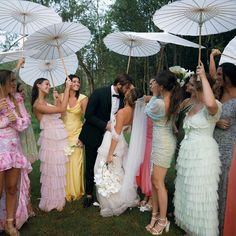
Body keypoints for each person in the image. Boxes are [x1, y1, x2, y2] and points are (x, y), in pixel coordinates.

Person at [174, 62, 222, 236]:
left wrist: (202, 76)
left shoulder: (214, 105)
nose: (189, 85)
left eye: (192, 83)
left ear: (201, 85)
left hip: (203, 156)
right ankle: (190, 227)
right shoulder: (193, 105)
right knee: (188, 191)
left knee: (199, 193)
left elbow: (209, 103)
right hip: (188, 154)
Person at [79, 73, 133, 208]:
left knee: (107, 165)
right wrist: (105, 126)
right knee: (91, 164)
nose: (127, 91)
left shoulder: (124, 98)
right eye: (126, 88)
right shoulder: (99, 93)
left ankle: (104, 193)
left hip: (111, 138)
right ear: (118, 85)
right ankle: (89, 194)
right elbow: (88, 115)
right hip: (94, 134)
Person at [94, 87, 141, 217]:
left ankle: (114, 203)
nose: (126, 91)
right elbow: (125, 129)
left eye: (128, 91)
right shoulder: (134, 112)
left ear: (128, 97)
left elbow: (116, 135)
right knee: (117, 171)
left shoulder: (122, 112)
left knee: (104, 170)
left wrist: (110, 154)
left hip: (112, 144)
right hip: (121, 144)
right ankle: (124, 197)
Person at [145, 71, 181, 235]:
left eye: (155, 85)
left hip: (163, 144)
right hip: (162, 141)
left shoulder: (159, 103)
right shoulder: (171, 100)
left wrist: (153, 95)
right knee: (154, 180)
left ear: (160, 86)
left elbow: (147, 111)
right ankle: (154, 214)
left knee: (158, 182)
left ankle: (163, 219)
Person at [31, 77, 71, 212]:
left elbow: (61, 112)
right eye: (46, 84)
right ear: (38, 85)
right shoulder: (37, 105)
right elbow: (62, 109)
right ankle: (50, 200)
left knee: (57, 169)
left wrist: (56, 99)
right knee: (51, 170)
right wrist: (67, 88)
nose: (49, 86)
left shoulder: (46, 103)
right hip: (50, 140)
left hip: (56, 138)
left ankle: (58, 198)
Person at [0, 70, 31, 236]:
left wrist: (15, 119)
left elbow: (24, 124)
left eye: (14, 80)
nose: (14, 84)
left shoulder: (17, 99)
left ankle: (9, 224)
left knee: (12, 188)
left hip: (14, 149)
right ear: (2, 82)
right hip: (0, 149)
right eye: (11, 81)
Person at [212, 62, 236, 235]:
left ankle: (222, 227)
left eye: (220, 75)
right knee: (213, 183)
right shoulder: (218, 95)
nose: (217, 77)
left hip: (230, 148)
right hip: (213, 145)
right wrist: (216, 122)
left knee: (224, 186)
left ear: (228, 77)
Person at [59, 74, 88, 201]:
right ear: (68, 83)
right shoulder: (60, 96)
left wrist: (83, 137)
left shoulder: (83, 98)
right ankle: (65, 191)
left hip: (77, 134)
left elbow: (87, 119)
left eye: (78, 82)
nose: (77, 84)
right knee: (65, 164)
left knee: (77, 163)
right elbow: (58, 115)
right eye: (74, 81)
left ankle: (76, 191)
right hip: (63, 134)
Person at [136, 78, 157, 212]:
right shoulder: (149, 99)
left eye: (152, 83)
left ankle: (151, 197)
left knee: (151, 167)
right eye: (149, 83)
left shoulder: (159, 100)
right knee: (144, 165)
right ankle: (146, 193)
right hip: (146, 137)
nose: (150, 85)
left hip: (155, 137)